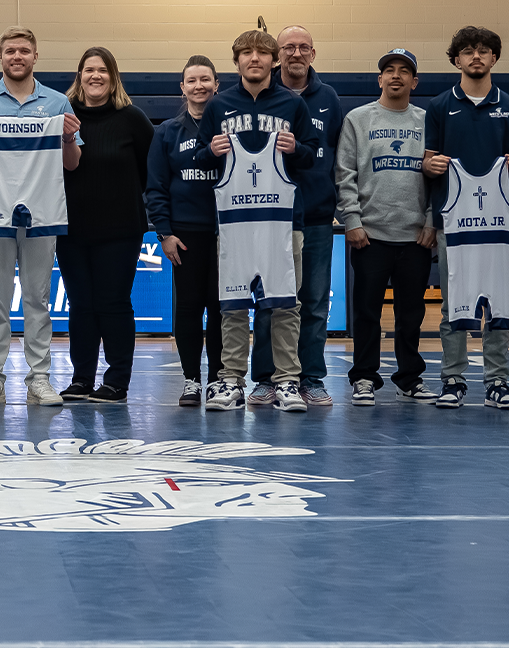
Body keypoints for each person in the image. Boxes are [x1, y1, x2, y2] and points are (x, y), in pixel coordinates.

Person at [194, 28, 322, 412]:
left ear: (274, 60)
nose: (255, 59)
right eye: (246, 53)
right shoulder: (219, 105)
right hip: (234, 222)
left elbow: (314, 155)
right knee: (232, 304)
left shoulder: (291, 104)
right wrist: (210, 150)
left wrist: (296, 147)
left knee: (286, 303)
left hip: (283, 222)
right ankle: (231, 378)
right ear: (237, 62)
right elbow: (199, 157)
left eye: (262, 53)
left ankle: (286, 380)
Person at [0, 27, 81, 409]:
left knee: (37, 299)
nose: (17, 56)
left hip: (41, 211)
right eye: (10, 50)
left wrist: (66, 138)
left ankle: (39, 379)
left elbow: (73, 164)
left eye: (24, 50)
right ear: (0, 57)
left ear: (35, 56)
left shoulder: (59, 103)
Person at [422, 26, 509, 410]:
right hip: (455, 220)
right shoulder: (439, 106)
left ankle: (497, 381)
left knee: (499, 303)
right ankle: (453, 379)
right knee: (455, 303)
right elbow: (427, 160)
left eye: (484, 50)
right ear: (456, 59)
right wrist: (429, 165)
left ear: (494, 58)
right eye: (468, 51)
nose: (476, 57)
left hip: (499, 221)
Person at [334, 48, 436, 407]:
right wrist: (352, 219)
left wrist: (432, 221)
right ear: (379, 79)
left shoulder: (427, 120)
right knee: (366, 313)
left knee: (411, 314)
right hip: (370, 235)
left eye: (404, 71)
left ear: (414, 81)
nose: (396, 76)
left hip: (415, 236)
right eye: (389, 70)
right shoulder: (357, 119)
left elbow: (440, 177)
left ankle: (409, 378)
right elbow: (344, 173)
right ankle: (363, 376)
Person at [253, 25, 343, 405]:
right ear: (277, 55)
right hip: (272, 217)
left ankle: (311, 377)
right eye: (287, 47)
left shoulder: (328, 99)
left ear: (313, 53)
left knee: (314, 301)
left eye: (303, 47)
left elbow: (339, 156)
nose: (295, 53)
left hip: (318, 215)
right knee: (268, 301)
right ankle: (266, 378)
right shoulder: (261, 97)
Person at [60, 46, 153, 402]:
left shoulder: (133, 119)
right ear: (79, 75)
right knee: (80, 303)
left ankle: (117, 380)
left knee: (113, 303)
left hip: (120, 231)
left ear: (113, 77)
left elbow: (152, 174)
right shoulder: (63, 116)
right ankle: (82, 378)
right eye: (88, 70)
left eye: (102, 70)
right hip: (71, 230)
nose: (95, 76)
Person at [145, 56, 226, 408]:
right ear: (182, 87)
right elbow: (156, 187)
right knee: (189, 310)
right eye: (192, 80)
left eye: (205, 79)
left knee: (223, 310)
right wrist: (164, 232)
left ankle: (222, 380)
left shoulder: (230, 128)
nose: (199, 86)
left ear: (216, 84)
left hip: (227, 236)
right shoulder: (167, 132)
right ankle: (192, 380)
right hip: (186, 237)